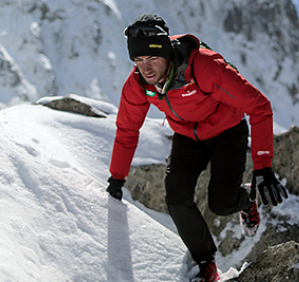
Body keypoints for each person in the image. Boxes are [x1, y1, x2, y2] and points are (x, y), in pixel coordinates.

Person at [105, 14, 288, 282]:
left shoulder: (203, 66)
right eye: (138, 60)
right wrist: (117, 177)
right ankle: (205, 262)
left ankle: (248, 199)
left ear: (166, 53)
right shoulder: (140, 85)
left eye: (152, 58)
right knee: (176, 197)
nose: (145, 67)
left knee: (221, 203)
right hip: (187, 136)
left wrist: (263, 167)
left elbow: (259, 106)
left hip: (228, 130)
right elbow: (126, 129)